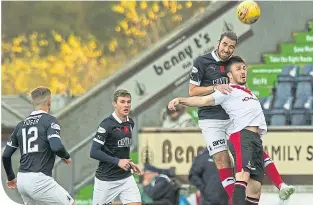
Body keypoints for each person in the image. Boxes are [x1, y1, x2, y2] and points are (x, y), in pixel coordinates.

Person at [188, 31, 294, 202]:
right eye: (225, 45)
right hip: (211, 118)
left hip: (232, 116)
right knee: (223, 162)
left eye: (231, 46)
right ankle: (236, 201)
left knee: (254, 148)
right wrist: (215, 88)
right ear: (218, 43)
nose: (227, 49)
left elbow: (242, 85)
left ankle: (280, 185)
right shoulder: (202, 61)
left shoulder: (233, 63)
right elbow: (192, 91)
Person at [169, 56, 274, 204]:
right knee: (241, 175)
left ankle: (280, 186)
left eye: (244, 68)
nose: (243, 71)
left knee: (254, 187)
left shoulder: (248, 92)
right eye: (238, 69)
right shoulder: (227, 91)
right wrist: (181, 100)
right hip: (239, 137)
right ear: (229, 75)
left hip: (251, 139)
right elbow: (202, 100)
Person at [2, 87, 76, 205]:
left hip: (22, 180)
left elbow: (5, 155)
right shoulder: (50, 121)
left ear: (32, 102)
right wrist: (66, 156)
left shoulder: (20, 125)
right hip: (39, 179)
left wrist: (11, 177)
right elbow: (56, 147)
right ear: (49, 101)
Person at [89, 89, 143, 205]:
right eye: (122, 102)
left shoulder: (130, 123)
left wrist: (129, 164)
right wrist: (117, 161)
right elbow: (94, 152)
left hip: (125, 177)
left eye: (128, 102)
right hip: (106, 179)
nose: (126, 105)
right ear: (114, 104)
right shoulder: (106, 124)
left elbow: (120, 149)